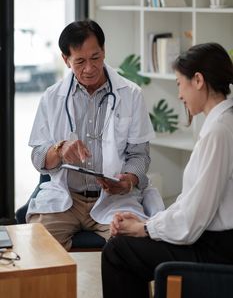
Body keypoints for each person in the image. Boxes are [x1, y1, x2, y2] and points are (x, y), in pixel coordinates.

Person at [101, 42, 233, 298]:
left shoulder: (219, 132)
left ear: (197, 80)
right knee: (125, 247)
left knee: (118, 251)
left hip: (216, 249)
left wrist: (145, 229)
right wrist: (149, 222)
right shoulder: (222, 123)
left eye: (178, 84)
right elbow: (191, 203)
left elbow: (193, 219)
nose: (180, 95)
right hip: (211, 240)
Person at [26, 19, 164, 250]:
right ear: (65, 60)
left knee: (132, 247)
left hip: (114, 199)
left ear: (104, 51)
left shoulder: (130, 94)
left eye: (95, 58)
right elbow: (38, 157)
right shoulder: (52, 97)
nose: (89, 68)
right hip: (66, 198)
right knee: (39, 248)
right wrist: (59, 150)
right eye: (79, 61)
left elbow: (140, 155)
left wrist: (128, 181)